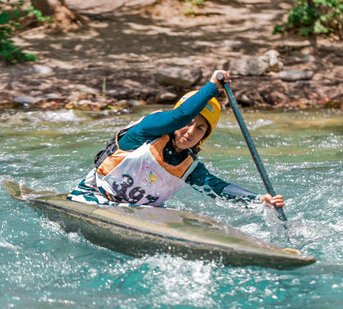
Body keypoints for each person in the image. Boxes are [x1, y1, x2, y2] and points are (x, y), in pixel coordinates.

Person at [69, 70, 285, 209]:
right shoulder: (146, 131)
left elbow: (218, 188)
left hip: (137, 215)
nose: (190, 131)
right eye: (189, 123)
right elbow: (178, 116)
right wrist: (211, 87)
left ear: (203, 138)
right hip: (92, 199)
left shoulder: (187, 166)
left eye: (200, 128)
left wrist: (258, 199)